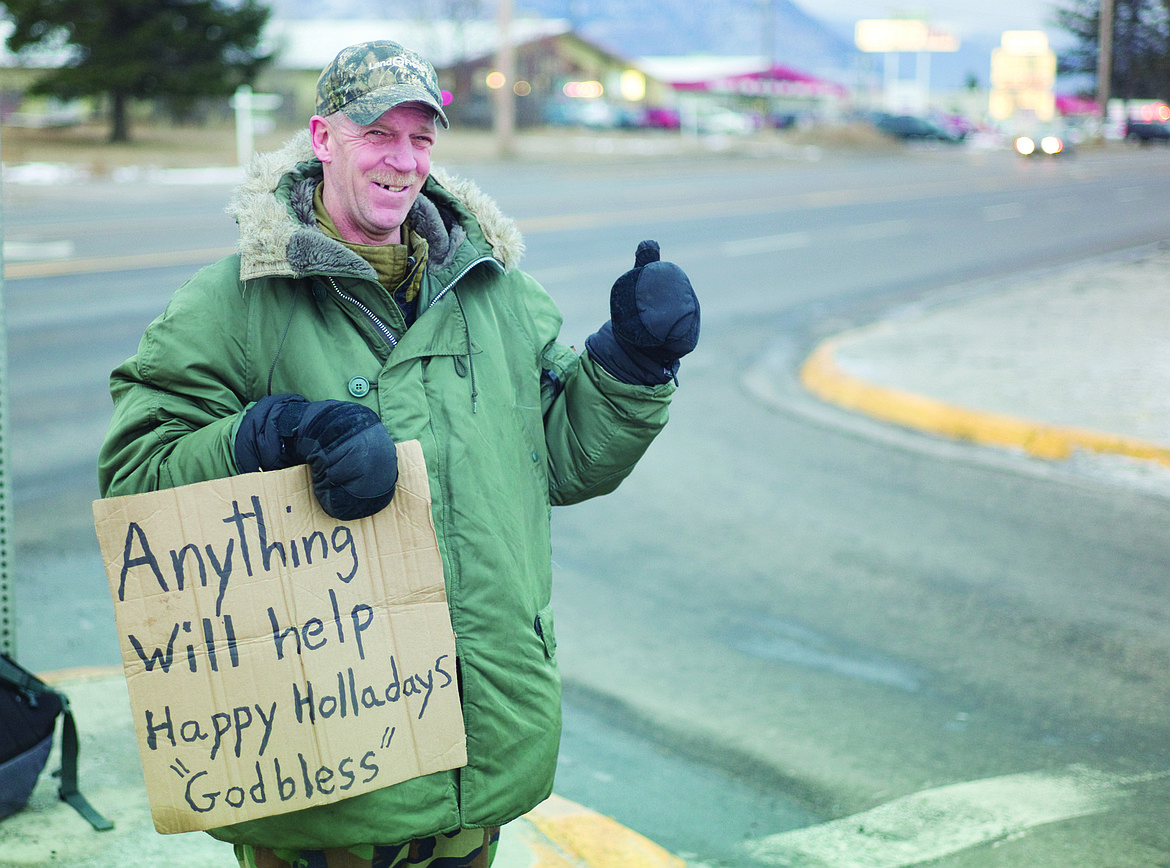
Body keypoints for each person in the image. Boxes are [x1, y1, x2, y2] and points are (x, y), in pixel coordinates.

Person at [97, 39, 699, 868]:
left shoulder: (499, 293)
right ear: (322, 138)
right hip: (323, 769)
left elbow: (564, 461)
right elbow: (136, 477)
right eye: (377, 132)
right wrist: (271, 434)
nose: (403, 159)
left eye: (421, 137)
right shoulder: (230, 303)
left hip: (478, 752)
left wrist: (631, 367)